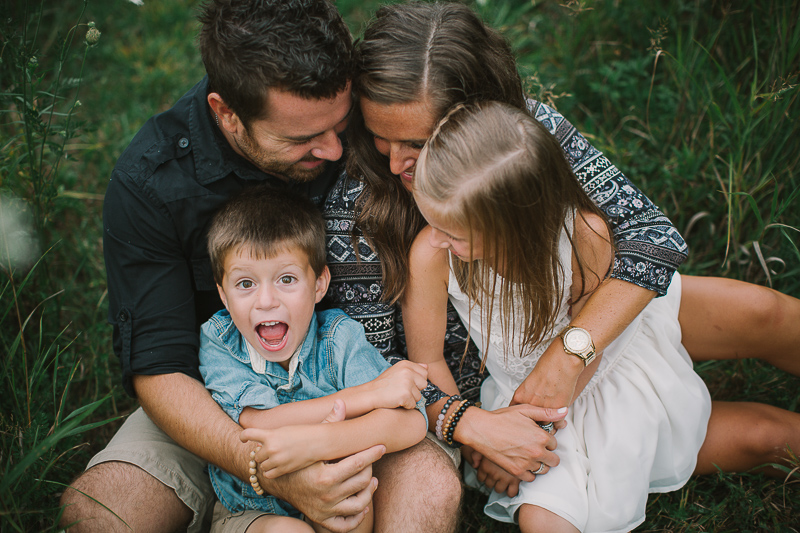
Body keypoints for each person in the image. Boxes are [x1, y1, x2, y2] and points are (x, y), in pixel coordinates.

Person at [324, 1, 800, 493]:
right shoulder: (355, 212)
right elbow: (372, 364)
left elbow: (649, 237)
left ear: (479, 120)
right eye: (381, 137)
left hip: (587, 313)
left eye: (422, 144)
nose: (399, 161)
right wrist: (475, 430)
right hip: (503, 390)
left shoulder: (519, 136)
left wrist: (568, 356)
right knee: (764, 438)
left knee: (765, 312)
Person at [59, 1, 481, 532]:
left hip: (359, 381)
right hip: (220, 395)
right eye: (301, 140)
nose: (333, 150)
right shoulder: (151, 184)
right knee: (100, 513)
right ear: (226, 113)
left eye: (341, 125)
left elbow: (497, 134)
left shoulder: (375, 114)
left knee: (426, 492)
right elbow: (162, 369)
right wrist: (274, 472)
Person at [404, 100, 795, 532]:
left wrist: (536, 431)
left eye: (455, 233)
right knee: (543, 521)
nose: (437, 238)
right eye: (431, 220)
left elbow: (597, 341)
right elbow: (428, 360)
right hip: (520, 404)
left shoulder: (584, 236)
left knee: (766, 435)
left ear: (516, 225)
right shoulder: (433, 255)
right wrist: (477, 438)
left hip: (602, 376)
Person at [198, 186, 428, 532]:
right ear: (223, 295)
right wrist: (364, 397)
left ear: (319, 284)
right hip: (250, 508)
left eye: (286, 279)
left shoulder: (339, 338)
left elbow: (413, 422)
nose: (265, 301)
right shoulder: (220, 340)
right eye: (245, 284)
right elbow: (258, 423)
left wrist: (319, 443)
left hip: (335, 495)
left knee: (354, 502)